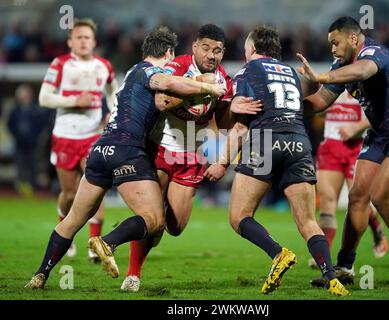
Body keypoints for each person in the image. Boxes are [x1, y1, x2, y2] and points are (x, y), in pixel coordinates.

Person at [25, 26, 227, 289]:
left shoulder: (131, 72)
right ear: (168, 53)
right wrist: (207, 86)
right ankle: (106, 241)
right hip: (127, 152)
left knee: (73, 219)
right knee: (154, 220)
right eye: (171, 57)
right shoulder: (151, 71)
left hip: (100, 150)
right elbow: (165, 86)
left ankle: (40, 275)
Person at [297, 16, 389, 291]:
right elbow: (320, 101)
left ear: (353, 38)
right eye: (330, 45)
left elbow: (363, 72)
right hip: (381, 134)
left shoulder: (373, 53)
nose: (333, 50)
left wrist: (321, 75)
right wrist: (287, 105)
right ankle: (345, 266)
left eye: (335, 43)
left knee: (380, 195)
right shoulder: (341, 66)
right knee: (358, 195)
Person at [120, 24, 261, 292]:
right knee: (151, 215)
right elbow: (161, 102)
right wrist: (200, 88)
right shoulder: (177, 67)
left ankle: (151, 229)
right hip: (160, 147)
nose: (212, 55)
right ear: (195, 47)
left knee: (175, 226)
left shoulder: (224, 80)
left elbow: (223, 122)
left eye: (218, 51)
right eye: (206, 48)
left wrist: (235, 108)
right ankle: (133, 274)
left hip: (192, 155)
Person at [226, 25, 350, 296]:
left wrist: (220, 161)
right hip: (299, 142)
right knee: (308, 221)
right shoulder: (291, 73)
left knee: (239, 216)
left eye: (246, 47)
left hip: (266, 141)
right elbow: (311, 105)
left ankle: (278, 253)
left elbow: (239, 125)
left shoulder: (248, 71)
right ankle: (331, 278)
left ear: (253, 48)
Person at [38, 18, 118, 261]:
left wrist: (111, 114)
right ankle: (65, 232)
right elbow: (44, 98)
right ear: (70, 41)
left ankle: (95, 245)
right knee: (70, 193)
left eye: (87, 38)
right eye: (79, 37)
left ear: (94, 42)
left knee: (96, 188)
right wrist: (74, 101)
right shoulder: (60, 64)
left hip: (93, 137)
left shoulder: (104, 66)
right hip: (65, 136)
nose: (83, 41)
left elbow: (114, 92)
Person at [307, 90, 388, 269]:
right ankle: (324, 256)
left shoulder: (363, 77)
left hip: (357, 147)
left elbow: (379, 113)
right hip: (330, 146)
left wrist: (356, 127)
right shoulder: (329, 80)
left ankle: (377, 230)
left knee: (358, 202)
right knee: (327, 202)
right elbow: (319, 111)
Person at [7, 84, 50, 196]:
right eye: (23, 95)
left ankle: (32, 188)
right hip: (19, 144)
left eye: (26, 95)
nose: (25, 97)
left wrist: (36, 136)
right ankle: (20, 188)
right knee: (20, 165)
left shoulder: (36, 110)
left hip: (33, 144)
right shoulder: (15, 111)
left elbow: (42, 125)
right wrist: (17, 135)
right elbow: (10, 125)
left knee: (33, 165)